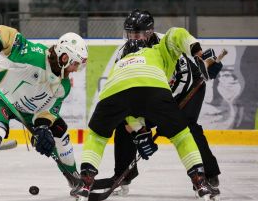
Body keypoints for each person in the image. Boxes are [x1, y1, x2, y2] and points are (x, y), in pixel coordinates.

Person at [76, 26, 221, 201]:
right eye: (130, 33)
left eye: (137, 32)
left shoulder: (161, 46)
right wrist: (141, 131)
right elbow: (178, 33)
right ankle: (126, 177)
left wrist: (198, 55)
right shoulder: (138, 51)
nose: (133, 36)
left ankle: (209, 174)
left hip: (187, 90)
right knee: (174, 134)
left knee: (188, 126)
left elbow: (182, 77)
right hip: (156, 91)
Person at [0, 25, 88, 201]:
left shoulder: (63, 86)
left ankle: (73, 178)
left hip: (28, 109)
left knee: (58, 131)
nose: (75, 69)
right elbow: (2, 32)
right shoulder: (33, 54)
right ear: (64, 57)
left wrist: (42, 128)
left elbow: (48, 111)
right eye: (74, 64)